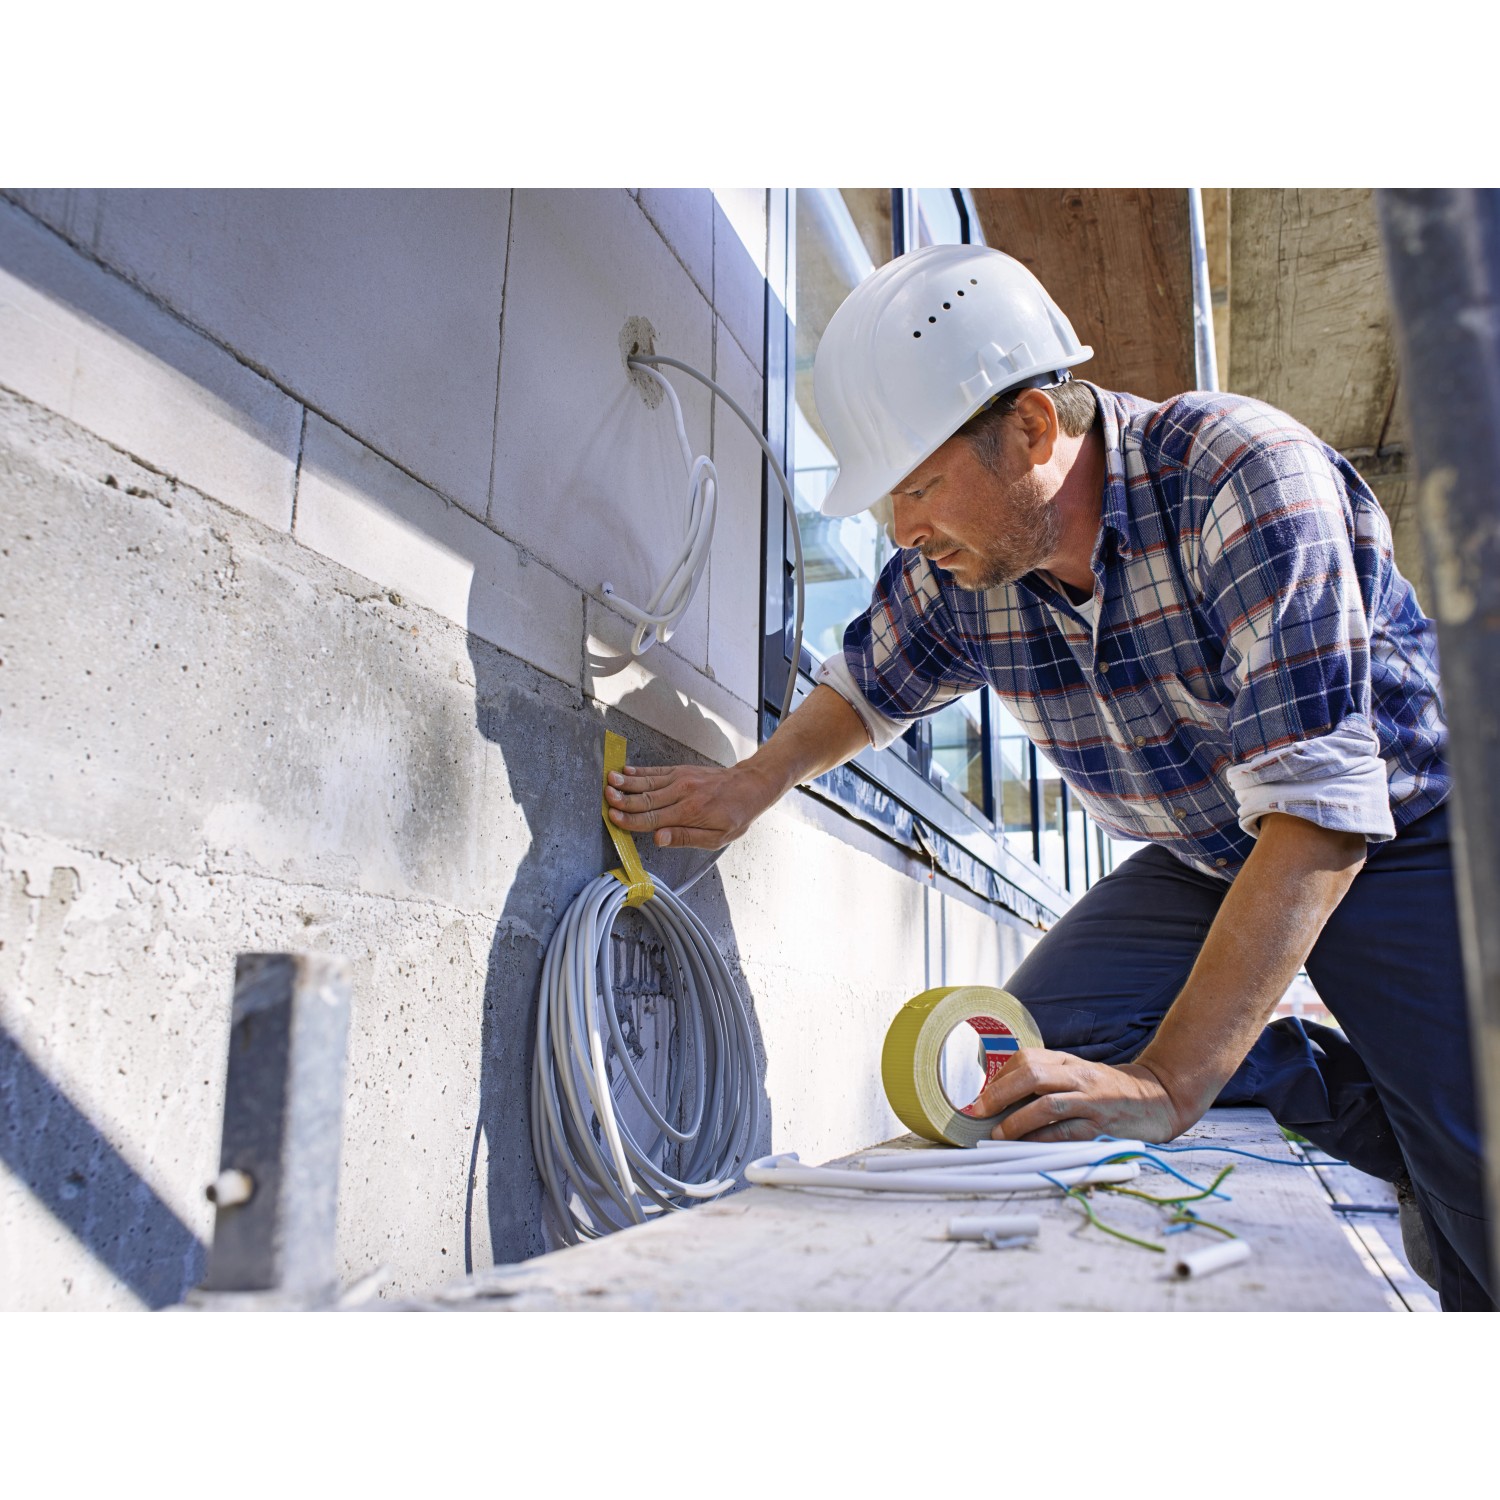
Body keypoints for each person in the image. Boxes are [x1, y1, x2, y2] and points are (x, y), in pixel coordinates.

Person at [604, 244, 1492, 1311]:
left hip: (1403, 830)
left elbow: (1317, 812)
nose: (903, 530)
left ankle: (1440, 1150)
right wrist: (752, 784)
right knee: (1042, 1065)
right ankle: (1391, 1108)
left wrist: (1168, 1085)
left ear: (1032, 427)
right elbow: (873, 683)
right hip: (1211, 850)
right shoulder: (968, 566)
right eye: (891, 498)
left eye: (921, 485)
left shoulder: (1242, 475)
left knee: (1477, 1185)